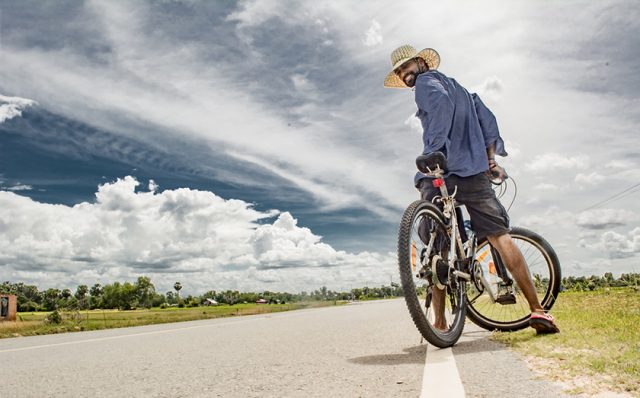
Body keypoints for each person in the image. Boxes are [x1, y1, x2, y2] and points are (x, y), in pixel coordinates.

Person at [384, 45, 559, 334]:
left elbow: (439, 103)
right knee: (500, 236)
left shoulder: (427, 83)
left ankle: (440, 324)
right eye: (400, 72)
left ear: (421, 62)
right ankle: (537, 311)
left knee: (437, 248)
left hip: (438, 171)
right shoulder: (468, 94)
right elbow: (489, 125)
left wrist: (436, 148)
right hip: (475, 171)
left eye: (406, 67)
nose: (405, 74)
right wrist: (491, 161)